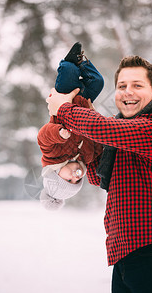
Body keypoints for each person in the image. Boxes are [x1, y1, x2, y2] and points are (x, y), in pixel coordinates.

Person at [47, 55, 152, 292]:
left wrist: (64, 108)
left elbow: (103, 128)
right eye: (122, 86)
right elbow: (98, 175)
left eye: (137, 85)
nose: (128, 92)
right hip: (125, 256)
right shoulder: (124, 138)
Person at [37, 42, 104, 210]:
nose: (75, 176)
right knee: (97, 81)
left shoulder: (52, 156)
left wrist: (59, 133)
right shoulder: (87, 158)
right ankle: (82, 62)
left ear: (55, 173)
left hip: (64, 98)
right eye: (77, 181)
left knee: (69, 71)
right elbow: (98, 143)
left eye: (68, 179)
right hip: (83, 102)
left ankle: (70, 61)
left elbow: (43, 137)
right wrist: (98, 117)